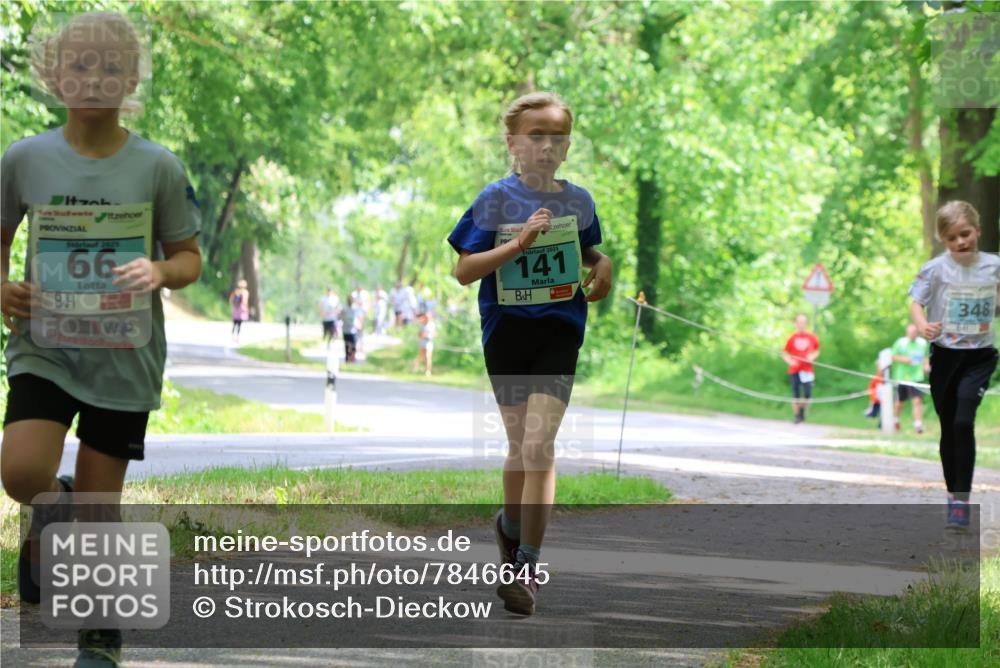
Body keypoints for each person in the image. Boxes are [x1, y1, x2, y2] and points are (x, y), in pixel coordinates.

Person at [1, 11, 202, 666]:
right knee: (21, 471)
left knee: (98, 507)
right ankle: (49, 509)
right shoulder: (24, 160)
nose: (94, 78)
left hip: (124, 355)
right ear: (54, 76)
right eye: (80, 65)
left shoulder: (158, 167)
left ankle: (99, 638)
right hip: (45, 345)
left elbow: (189, 258)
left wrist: (159, 270)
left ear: (132, 79)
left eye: (110, 66)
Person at [448, 92, 612, 615]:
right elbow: (465, 270)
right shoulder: (495, 199)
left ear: (567, 145)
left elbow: (578, 247)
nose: (547, 146)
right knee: (521, 447)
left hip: (560, 330)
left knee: (540, 446)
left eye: (557, 137)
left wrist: (601, 262)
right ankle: (508, 527)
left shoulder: (580, 201)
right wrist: (518, 244)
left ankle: (527, 566)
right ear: (513, 143)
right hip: (508, 332)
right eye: (535, 136)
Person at [909, 200, 999, 529]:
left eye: (966, 234)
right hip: (945, 355)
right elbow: (916, 302)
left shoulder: (993, 265)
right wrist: (922, 326)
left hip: (979, 356)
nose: (961, 242)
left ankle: (963, 498)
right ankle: (953, 496)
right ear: (943, 241)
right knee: (949, 427)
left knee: (963, 421)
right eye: (952, 238)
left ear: (978, 230)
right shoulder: (935, 269)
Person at [890, 324, 931, 433]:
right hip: (902, 377)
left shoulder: (922, 343)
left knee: (917, 400)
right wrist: (905, 359)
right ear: (907, 332)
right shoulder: (900, 343)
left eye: (914, 332)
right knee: (899, 402)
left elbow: (925, 357)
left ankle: (918, 425)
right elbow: (893, 356)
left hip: (917, 376)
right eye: (910, 332)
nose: (912, 334)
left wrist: (926, 365)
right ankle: (896, 419)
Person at [782, 314, 820, 423]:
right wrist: (790, 361)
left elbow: (817, 350)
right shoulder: (791, 338)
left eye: (803, 322)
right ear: (795, 324)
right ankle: (797, 415)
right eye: (799, 322)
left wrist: (812, 357)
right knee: (796, 394)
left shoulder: (812, 337)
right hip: (795, 370)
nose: (801, 325)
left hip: (807, 370)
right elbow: (785, 353)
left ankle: (802, 410)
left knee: (807, 394)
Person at [412, 311, 436, 376]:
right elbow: (419, 334)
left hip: (429, 342)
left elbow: (434, 333)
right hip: (422, 342)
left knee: (428, 356)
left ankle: (428, 371)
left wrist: (427, 335)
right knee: (420, 356)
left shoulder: (432, 324)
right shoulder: (422, 325)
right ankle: (416, 368)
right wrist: (422, 335)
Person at [340, 296, 360, 363]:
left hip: (353, 329)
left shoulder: (355, 308)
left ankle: (353, 357)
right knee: (347, 344)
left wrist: (359, 325)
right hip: (346, 329)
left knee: (353, 344)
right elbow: (340, 316)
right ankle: (347, 358)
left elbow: (359, 317)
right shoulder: (344, 308)